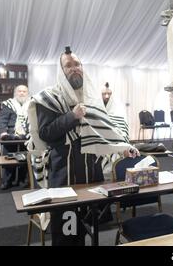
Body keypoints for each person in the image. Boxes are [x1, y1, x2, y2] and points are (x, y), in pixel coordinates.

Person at [27, 46, 138, 245]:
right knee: (67, 236)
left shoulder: (92, 97)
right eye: (68, 65)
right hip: (64, 176)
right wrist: (72, 116)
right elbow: (45, 135)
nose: (74, 68)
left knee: (91, 231)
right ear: (61, 71)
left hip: (91, 176)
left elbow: (105, 131)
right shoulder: (49, 98)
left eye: (77, 64)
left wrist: (122, 147)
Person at [0, 85, 29, 189]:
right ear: (15, 93)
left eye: (24, 91)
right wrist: (3, 133)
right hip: (11, 136)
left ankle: (23, 180)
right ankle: (8, 181)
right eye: (19, 91)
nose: (22, 93)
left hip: (26, 135)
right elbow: (2, 120)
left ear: (27, 93)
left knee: (24, 159)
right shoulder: (8, 104)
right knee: (9, 158)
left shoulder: (31, 104)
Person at [100, 82, 129, 177]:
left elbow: (123, 128)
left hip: (116, 147)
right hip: (100, 146)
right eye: (104, 94)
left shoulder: (118, 110)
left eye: (109, 94)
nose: (107, 96)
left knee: (115, 172)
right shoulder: (96, 108)